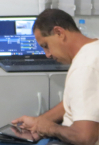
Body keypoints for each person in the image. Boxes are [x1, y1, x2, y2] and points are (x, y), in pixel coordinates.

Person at [12, 8, 99, 145]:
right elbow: (79, 102)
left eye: (46, 45)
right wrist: (39, 123)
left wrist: (49, 128)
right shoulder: (94, 48)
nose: (47, 54)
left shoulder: (85, 68)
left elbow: (85, 137)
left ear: (59, 33)